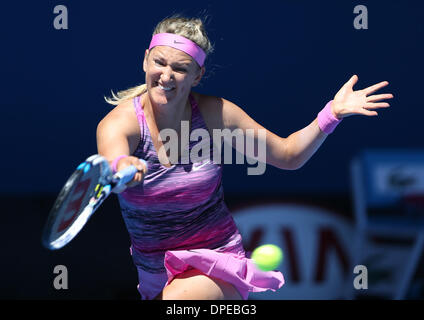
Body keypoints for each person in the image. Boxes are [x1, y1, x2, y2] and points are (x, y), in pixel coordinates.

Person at [96, 16, 393, 300]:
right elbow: (114, 158)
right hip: (153, 270)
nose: (167, 75)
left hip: (217, 260)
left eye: (181, 68)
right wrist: (123, 165)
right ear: (146, 59)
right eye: (159, 62)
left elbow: (288, 155)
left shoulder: (216, 114)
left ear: (198, 74)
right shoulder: (119, 123)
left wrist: (331, 115)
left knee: (180, 297)